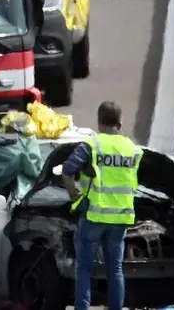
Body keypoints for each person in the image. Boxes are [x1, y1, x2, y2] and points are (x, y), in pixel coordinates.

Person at [61, 101, 142, 310]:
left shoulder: (93, 144)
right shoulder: (132, 149)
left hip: (95, 216)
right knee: (115, 269)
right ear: (120, 123)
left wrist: (73, 193)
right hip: (121, 218)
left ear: (99, 121)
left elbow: (68, 170)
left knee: (84, 270)